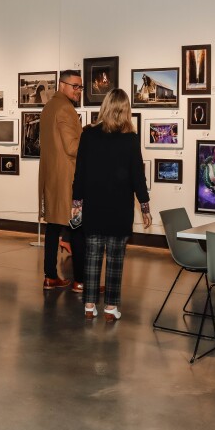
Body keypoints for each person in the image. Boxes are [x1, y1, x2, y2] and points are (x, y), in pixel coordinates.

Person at [73, 88, 151, 321]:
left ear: (104, 106)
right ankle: (110, 309)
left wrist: (76, 203)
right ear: (126, 110)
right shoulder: (130, 139)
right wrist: (145, 207)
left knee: (92, 256)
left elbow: (80, 173)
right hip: (119, 209)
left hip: (94, 207)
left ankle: (89, 306)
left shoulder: (88, 135)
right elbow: (138, 176)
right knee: (116, 259)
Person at [39, 70, 86, 292]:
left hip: (52, 176)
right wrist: (92, 142)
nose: (78, 90)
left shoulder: (49, 107)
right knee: (77, 228)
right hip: (68, 177)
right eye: (74, 86)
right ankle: (80, 280)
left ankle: (50, 276)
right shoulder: (65, 109)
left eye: (80, 87)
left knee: (54, 227)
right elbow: (72, 147)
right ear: (62, 85)